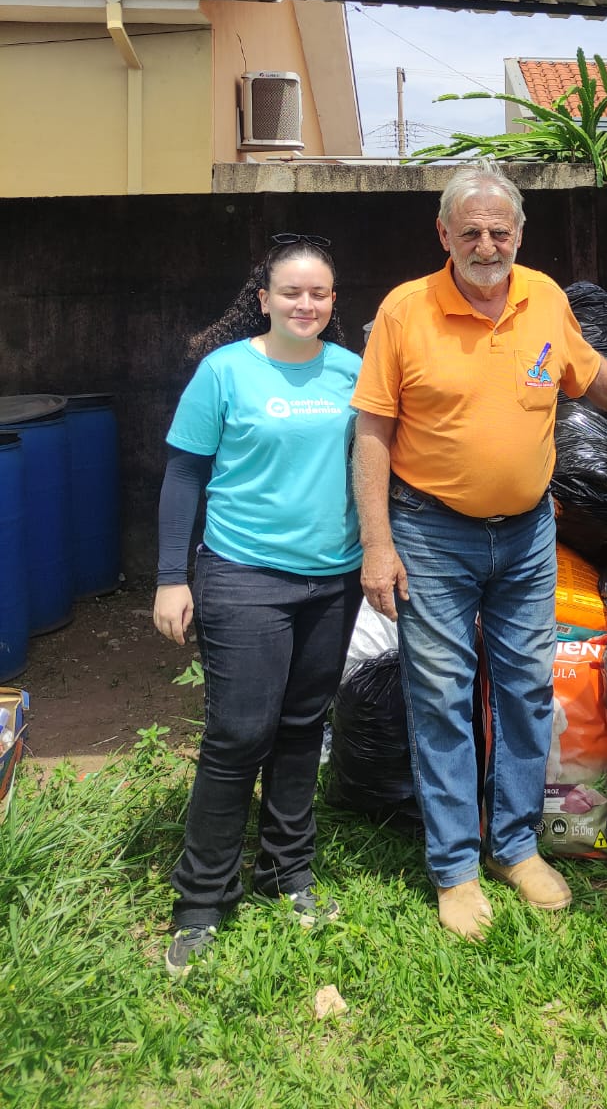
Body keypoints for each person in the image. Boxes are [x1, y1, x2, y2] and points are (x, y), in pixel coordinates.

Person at [352, 163, 607, 940]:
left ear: (519, 234)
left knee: (526, 690)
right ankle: (454, 867)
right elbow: (371, 431)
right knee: (441, 696)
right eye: (469, 231)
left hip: (527, 532)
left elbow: (588, 377)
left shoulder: (543, 296)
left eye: (498, 231)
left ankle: (513, 846)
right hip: (430, 533)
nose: (485, 244)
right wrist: (377, 544)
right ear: (443, 234)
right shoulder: (406, 310)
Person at [153, 234, 363, 979]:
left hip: (332, 578)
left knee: (304, 727)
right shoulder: (225, 370)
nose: (306, 304)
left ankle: (286, 872)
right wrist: (170, 577)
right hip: (243, 574)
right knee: (239, 733)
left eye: (319, 293)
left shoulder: (352, 372)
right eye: (291, 292)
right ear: (264, 297)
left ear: (333, 301)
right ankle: (201, 901)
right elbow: (184, 473)